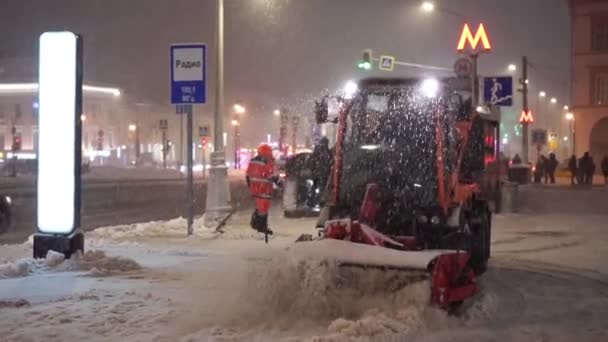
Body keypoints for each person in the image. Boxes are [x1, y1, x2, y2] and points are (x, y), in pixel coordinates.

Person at [246, 144, 281, 235]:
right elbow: (271, 175)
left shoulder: (253, 161)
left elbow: (248, 175)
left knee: (260, 208)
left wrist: (251, 186)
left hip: (256, 189)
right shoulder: (267, 161)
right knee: (263, 208)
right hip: (264, 188)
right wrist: (279, 182)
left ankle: (259, 225)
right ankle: (260, 226)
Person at [307, 137, 333, 205]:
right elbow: (329, 162)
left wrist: (312, 170)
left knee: (315, 187)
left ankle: (312, 201)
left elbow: (311, 161)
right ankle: (318, 201)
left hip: (318, 173)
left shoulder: (318, 151)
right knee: (321, 187)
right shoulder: (326, 152)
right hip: (322, 173)